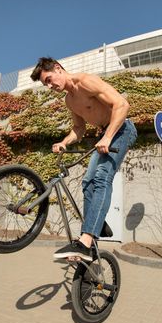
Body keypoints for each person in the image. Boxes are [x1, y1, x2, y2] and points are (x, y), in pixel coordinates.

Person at [30, 57, 137, 262]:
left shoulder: (86, 81)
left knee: (101, 178)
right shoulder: (69, 100)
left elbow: (122, 105)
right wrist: (64, 141)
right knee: (87, 181)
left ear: (59, 69)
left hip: (122, 129)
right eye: (46, 84)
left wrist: (107, 136)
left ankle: (86, 240)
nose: (50, 86)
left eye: (50, 79)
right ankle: (98, 224)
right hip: (105, 133)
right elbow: (79, 130)